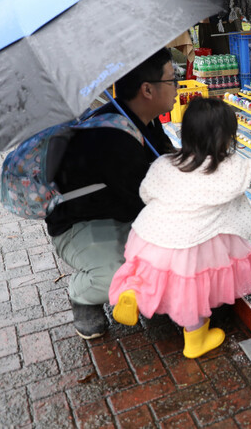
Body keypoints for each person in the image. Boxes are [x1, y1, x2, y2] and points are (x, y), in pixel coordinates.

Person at [109, 98, 251, 358]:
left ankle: (133, 293)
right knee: (194, 289)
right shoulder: (232, 166)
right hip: (196, 241)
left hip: (154, 234)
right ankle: (195, 340)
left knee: (154, 272)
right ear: (226, 138)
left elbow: (146, 193)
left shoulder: (164, 163)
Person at [45, 48, 177, 339]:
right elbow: (149, 202)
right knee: (120, 278)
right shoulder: (114, 139)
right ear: (147, 90)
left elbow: (167, 161)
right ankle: (83, 293)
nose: (177, 86)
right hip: (80, 226)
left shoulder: (146, 119)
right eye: (172, 79)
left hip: (122, 211)